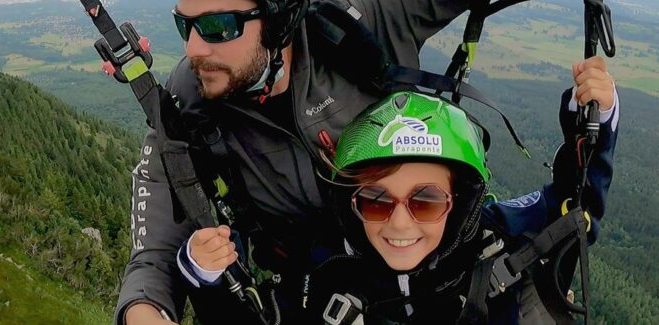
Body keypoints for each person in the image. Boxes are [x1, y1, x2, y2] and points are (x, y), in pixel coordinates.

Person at [116, 0, 501, 325]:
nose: (194, 48)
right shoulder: (188, 100)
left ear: (280, 20)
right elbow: (154, 249)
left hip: (428, 274)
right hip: (312, 300)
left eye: (217, 27)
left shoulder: (356, 29)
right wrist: (143, 311)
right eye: (185, 26)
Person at [184, 57, 618, 324]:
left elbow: (573, 210)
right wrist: (208, 276)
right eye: (375, 200)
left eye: (426, 201)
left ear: (460, 201)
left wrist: (594, 121)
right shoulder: (326, 271)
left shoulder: (499, 241)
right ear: (352, 202)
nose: (399, 222)